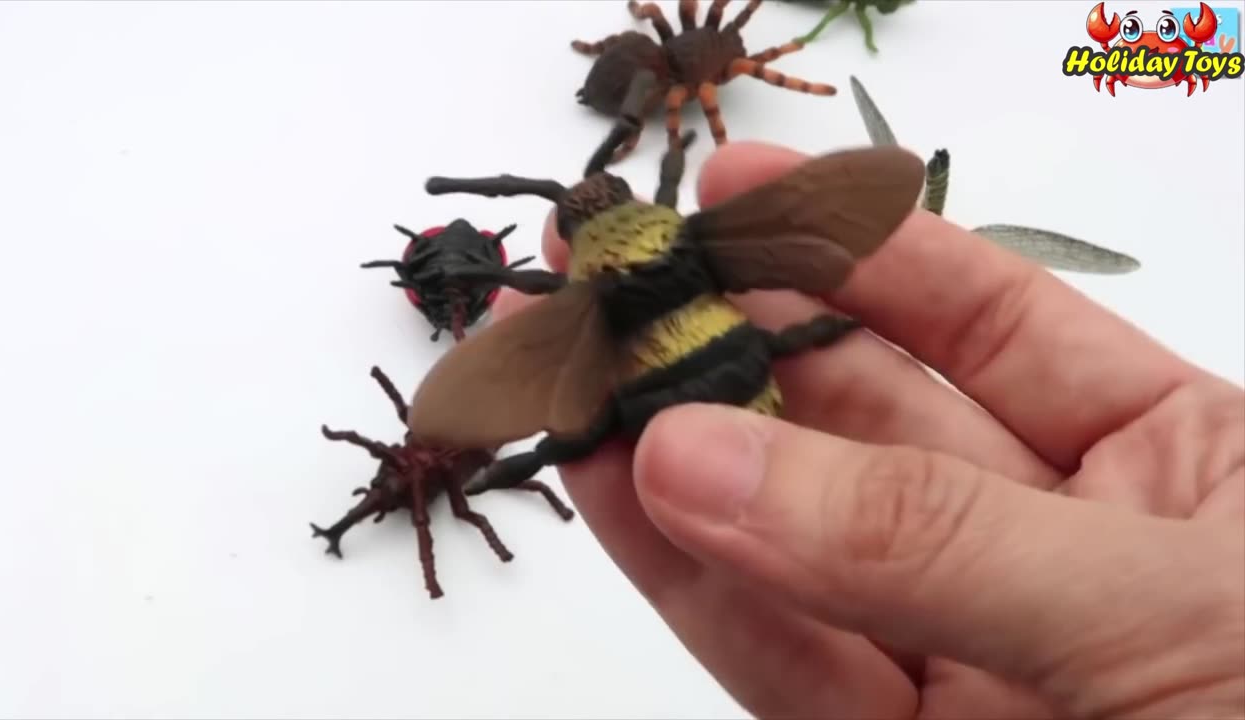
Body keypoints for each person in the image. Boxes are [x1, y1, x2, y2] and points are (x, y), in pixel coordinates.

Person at [491, 141, 1245, 719]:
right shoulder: (700, 239)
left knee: (587, 441)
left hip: (675, 416)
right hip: (742, 381)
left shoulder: (577, 303)